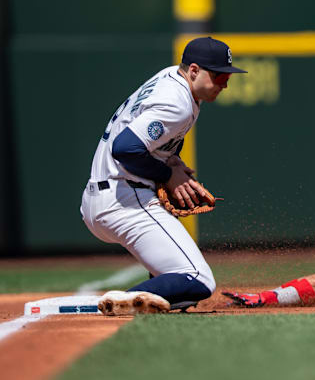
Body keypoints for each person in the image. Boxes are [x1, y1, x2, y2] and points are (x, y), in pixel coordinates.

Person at [81, 37, 246, 315]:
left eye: (227, 75)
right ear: (194, 70)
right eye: (218, 75)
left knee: (179, 280)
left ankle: (149, 293)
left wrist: (172, 162)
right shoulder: (177, 103)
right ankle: (124, 300)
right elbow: (125, 149)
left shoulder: (171, 78)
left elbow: (145, 141)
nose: (225, 83)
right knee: (199, 279)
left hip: (105, 196)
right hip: (125, 200)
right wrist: (167, 174)